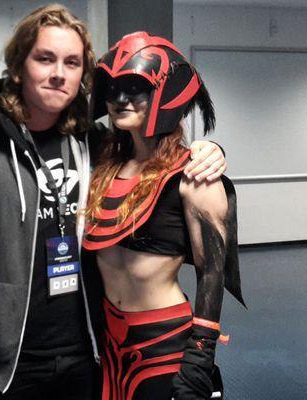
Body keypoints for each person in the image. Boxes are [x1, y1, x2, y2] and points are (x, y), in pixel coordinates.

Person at [0, 5, 227, 400]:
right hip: (7, 362)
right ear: (19, 65)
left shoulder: (92, 145)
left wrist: (209, 150)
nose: (59, 73)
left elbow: (155, 155)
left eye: (72, 62)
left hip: (89, 353)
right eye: (45, 58)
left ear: (83, 74)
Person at [83, 31, 245, 400]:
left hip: (163, 345)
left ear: (165, 93)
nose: (120, 100)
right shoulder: (103, 164)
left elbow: (211, 273)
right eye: (113, 88)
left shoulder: (194, 175)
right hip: (108, 343)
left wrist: (199, 359)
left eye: (135, 88)